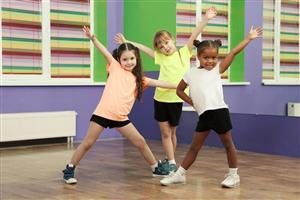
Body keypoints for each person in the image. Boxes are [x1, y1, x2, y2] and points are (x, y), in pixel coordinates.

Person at [62, 26, 177, 184]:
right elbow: (103, 51)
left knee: (140, 142)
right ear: (119, 60)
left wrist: (180, 85)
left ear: (136, 59)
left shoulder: (141, 79)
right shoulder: (115, 67)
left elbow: (162, 83)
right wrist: (93, 38)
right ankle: (69, 169)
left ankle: (155, 167)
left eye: (132, 59)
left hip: (121, 118)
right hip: (102, 114)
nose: (129, 62)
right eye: (125, 59)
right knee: (88, 143)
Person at [114, 7, 217, 173]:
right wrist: (128, 42)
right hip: (160, 98)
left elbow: (195, 33)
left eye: (167, 42)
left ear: (173, 40)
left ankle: (170, 160)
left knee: (172, 132)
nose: (165, 47)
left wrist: (206, 18)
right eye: (161, 46)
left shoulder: (184, 53)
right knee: (165, 132)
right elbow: (142, 49)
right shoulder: (160, 57)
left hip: (176, 99)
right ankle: (172, 162)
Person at [160, 26, 263, 188]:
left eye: (214, 57)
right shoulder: (191, 73)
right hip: (204, 115)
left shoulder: (217, 69)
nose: (210, 61)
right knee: (194, 147)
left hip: (219, 112)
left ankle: (233, 175)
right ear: (198, 57)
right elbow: (179, 90)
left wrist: (248, 38)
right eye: (206, 58)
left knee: (228, 145)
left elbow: (233, 53)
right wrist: (192, 101)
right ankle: (179, 175)